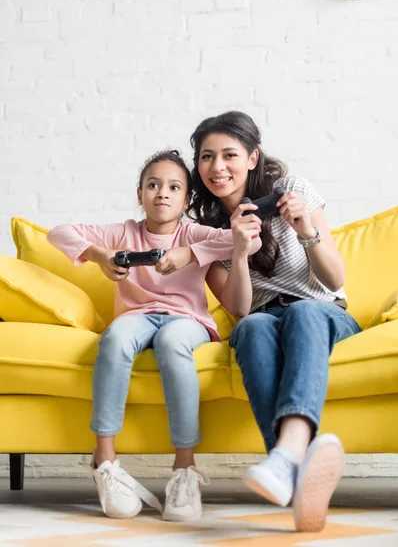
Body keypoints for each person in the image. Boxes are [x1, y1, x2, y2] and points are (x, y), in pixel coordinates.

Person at [47, 149, 262, 523]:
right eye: (153, 185)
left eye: (174, 187)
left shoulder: (193, 232)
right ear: (140, 193)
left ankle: (184, 469)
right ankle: (106, 463)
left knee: (172, 343)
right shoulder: (123, 233)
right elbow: (57, 233)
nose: (163, 193)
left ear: (187, 199)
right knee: (113, 340)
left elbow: (249, 241)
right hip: (136, 316)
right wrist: (100, 255)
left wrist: (190, 254)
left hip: (186, 320)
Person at [188, 111, 362, 533]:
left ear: (252, 158)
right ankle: (298, 482)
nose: (218, 167)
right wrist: (240, 250)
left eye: (230, 154)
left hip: (322, 314)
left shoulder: (294, 191)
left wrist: (305, 231)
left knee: (301, 310)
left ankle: (286, 455)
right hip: (263, 316)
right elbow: (241, 310)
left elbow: (335, 280)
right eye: (207, 157)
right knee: (251, 329)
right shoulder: (204, 233)